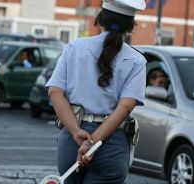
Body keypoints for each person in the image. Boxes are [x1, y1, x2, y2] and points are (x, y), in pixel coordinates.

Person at [45, 0, 146, 183]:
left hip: (71, 139)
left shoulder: (74, 47)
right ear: (131, 26)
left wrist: (77, 132)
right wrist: (92, 142)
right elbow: (125, 108)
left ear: (100, 19)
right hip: (111, 143)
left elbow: (55, 92)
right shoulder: (136, 60)